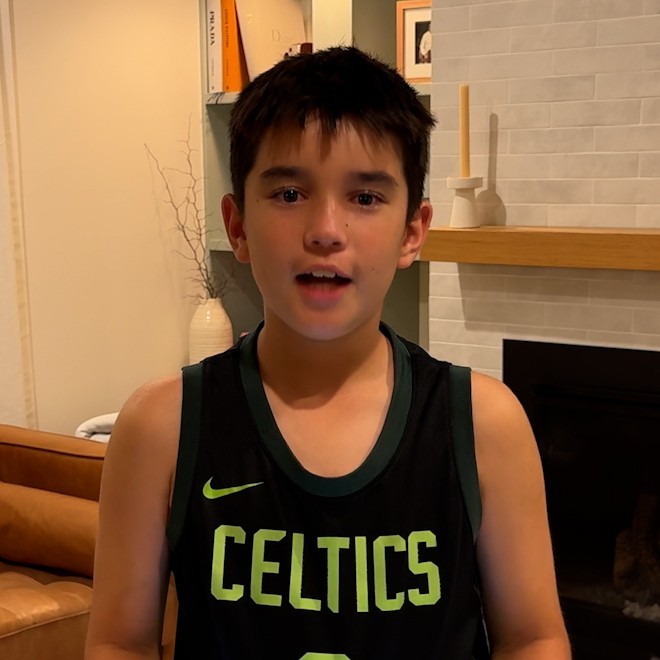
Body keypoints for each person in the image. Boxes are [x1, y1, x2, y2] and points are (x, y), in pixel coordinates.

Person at [85, 46, 571, 659]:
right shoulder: (162, 427)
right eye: (289, 193)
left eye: (365, 198)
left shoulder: (483, 424)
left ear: (413, 232)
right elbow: (120, 643)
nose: (325, 231)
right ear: (237, 226)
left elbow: (532, 638)